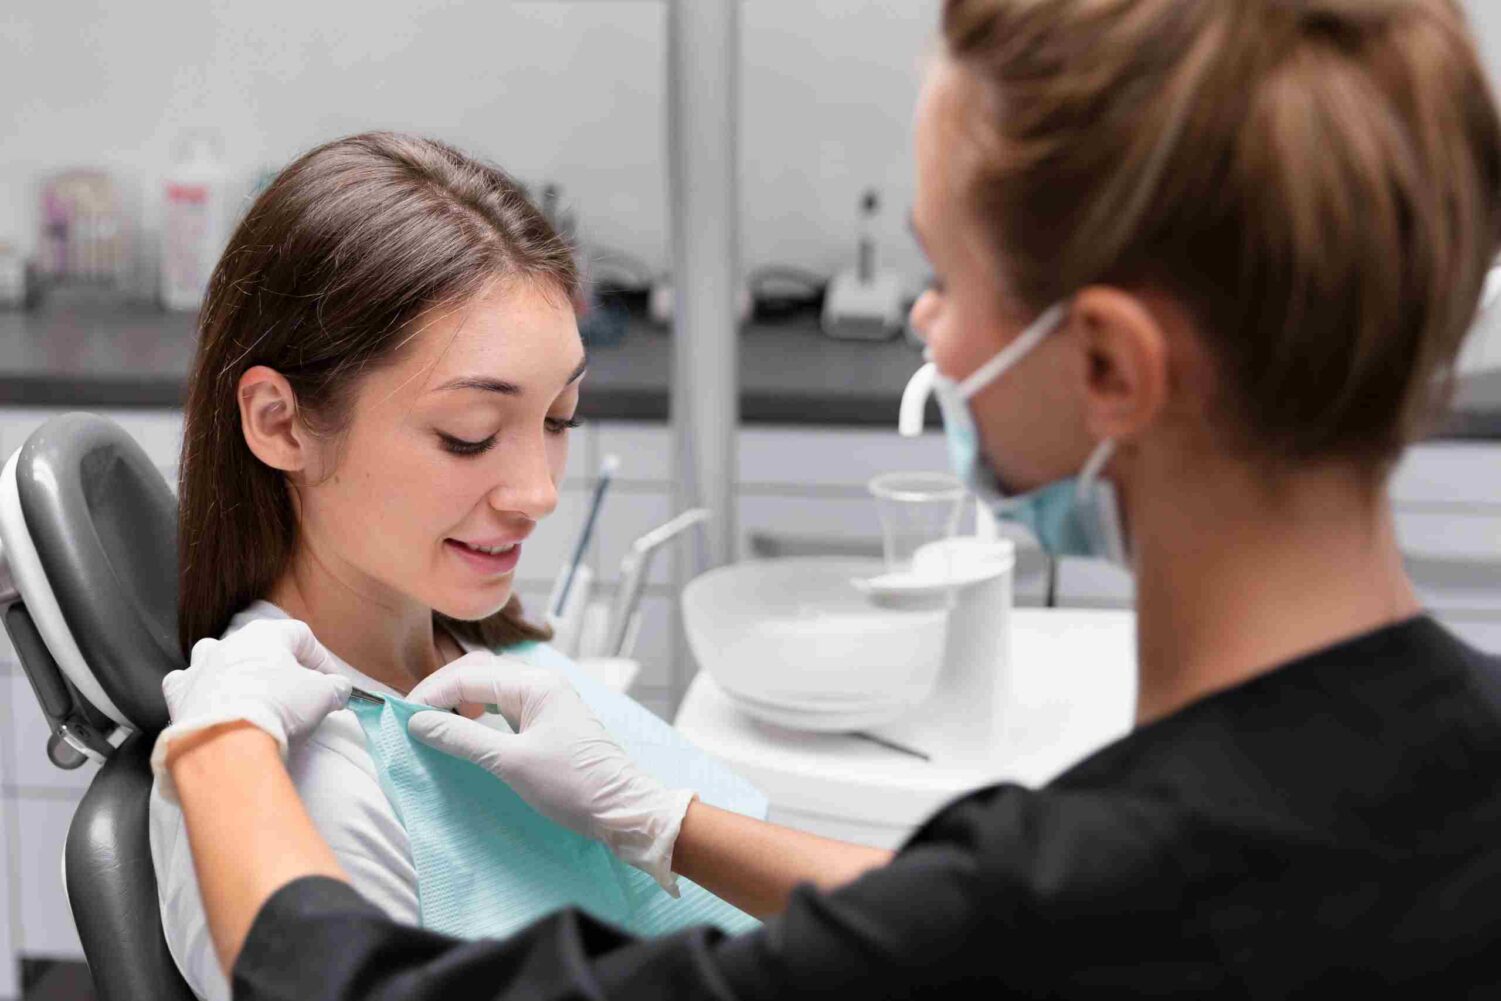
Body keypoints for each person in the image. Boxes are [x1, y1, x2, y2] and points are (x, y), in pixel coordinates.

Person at [155, 0, 1501, 995]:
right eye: (470, 431)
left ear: (1107, 364)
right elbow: (960, 924)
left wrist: (217, 744)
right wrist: (666, 818)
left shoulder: (1103, 893)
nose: (923, 325)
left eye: (946, 275)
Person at [149, 131, 613, 1001]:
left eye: (560, 419)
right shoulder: (312, 789)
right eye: (468, 435)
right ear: (281, 423)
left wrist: (668, 824)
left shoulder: (469, 645)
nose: (539, 493)